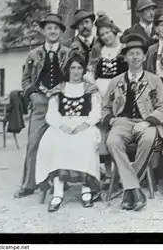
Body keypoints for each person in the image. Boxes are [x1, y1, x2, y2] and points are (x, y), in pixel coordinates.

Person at [102, 33, 163, 211]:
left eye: (138, 53)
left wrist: (148, 122)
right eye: (130, 53)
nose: (134, 57)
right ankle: (135, 189)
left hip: (146, 122)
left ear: (144, 56)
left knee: (148, 140)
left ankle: (129, 190)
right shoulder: (116, 81)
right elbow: (105, 108)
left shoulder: (154, 80)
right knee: (112, 141)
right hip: (122, 122)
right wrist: (112, 121)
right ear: (125, 57)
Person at [14, 13, 73, 198]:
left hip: (62, 102)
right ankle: (29, 184)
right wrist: (32, 95)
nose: (52, 31)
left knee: (63, 141)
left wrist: (64, 92)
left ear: (61, 31)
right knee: (34, 142)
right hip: (40, 102)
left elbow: (74, 76)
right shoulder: (34, 54)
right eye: (49, 28)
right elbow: (25, 80)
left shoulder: (68, 53)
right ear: (44, 31)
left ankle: (62, 180)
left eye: (56, 28)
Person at [35, 54, 102, 212]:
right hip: (62, 124)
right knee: (56, 142)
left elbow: (96, 111)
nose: (76, 71)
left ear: (84, 70)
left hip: (84, 124)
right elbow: (51, 113)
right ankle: (58, 193)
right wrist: (61, 125)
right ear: (68, 70)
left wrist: (84, 125)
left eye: (79, 68)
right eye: (73, 68)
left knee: (86, 141)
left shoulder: (90, 89)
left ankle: (86, 190)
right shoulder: (59, 89)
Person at [89, 13, 128, 187]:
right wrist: (94, 86)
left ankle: (120, 171)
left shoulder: (123, 48)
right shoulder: (98, 51)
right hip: (100, 92)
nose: (106, 36)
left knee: (117, 130)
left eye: (108, 32)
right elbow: (91, 73)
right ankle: (108, 173)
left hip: (120, 92)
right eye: (102, 34)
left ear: (113, 30)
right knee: (102, 129)